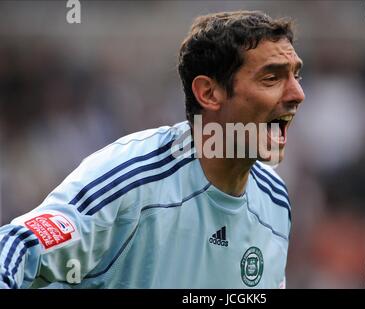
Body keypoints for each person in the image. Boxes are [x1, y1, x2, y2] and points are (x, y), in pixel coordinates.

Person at [0, 10, 304, 288]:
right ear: (209, 93)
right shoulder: (132, 180)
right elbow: (14, 247)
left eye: (296, 75)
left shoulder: (275, 199)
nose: (297, 94)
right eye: (272, 78)